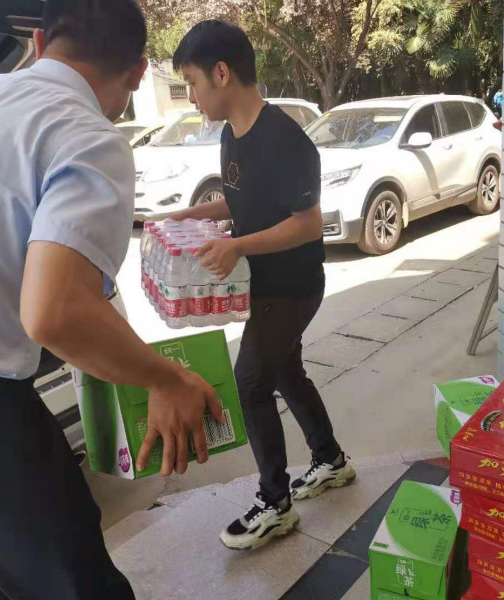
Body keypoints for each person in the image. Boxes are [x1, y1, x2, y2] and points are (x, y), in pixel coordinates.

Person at [0, 1, 223, 598]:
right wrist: (166, 379)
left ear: (40, 43)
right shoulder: (86, 135)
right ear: (138, 71)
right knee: (78, 583)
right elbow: (56, 311)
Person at [166, 20, 356, 551]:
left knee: (250, 382)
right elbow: (237, 200)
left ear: (222, 73)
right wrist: (184, 215)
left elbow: (308, 224)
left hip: (293, 285)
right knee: (286, 371)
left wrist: (239, 247)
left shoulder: (284, 139)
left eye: (192, 82)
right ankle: (330, 460)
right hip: (264, 284)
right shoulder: (232, 134)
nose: (191, 96)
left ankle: (275, 504)